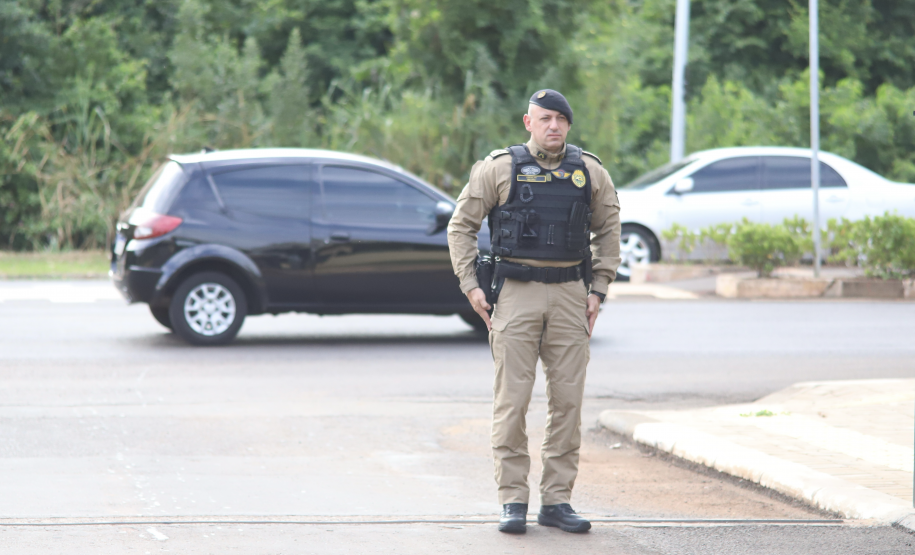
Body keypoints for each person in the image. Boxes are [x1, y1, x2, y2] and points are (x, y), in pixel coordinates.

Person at [447, 89, 622, 534]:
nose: (553, 127)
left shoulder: (589, 171)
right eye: (544, 118)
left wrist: (599, 288)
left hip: (569, 294)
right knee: (513, 402)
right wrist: (470, 285)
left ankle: (557, 501)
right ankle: (513, 501)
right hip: (516, 294)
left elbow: (609, 229)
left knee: (567, 403)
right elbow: (461, 225)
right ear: (528, 122)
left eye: (561, 119)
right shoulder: (499, 168)